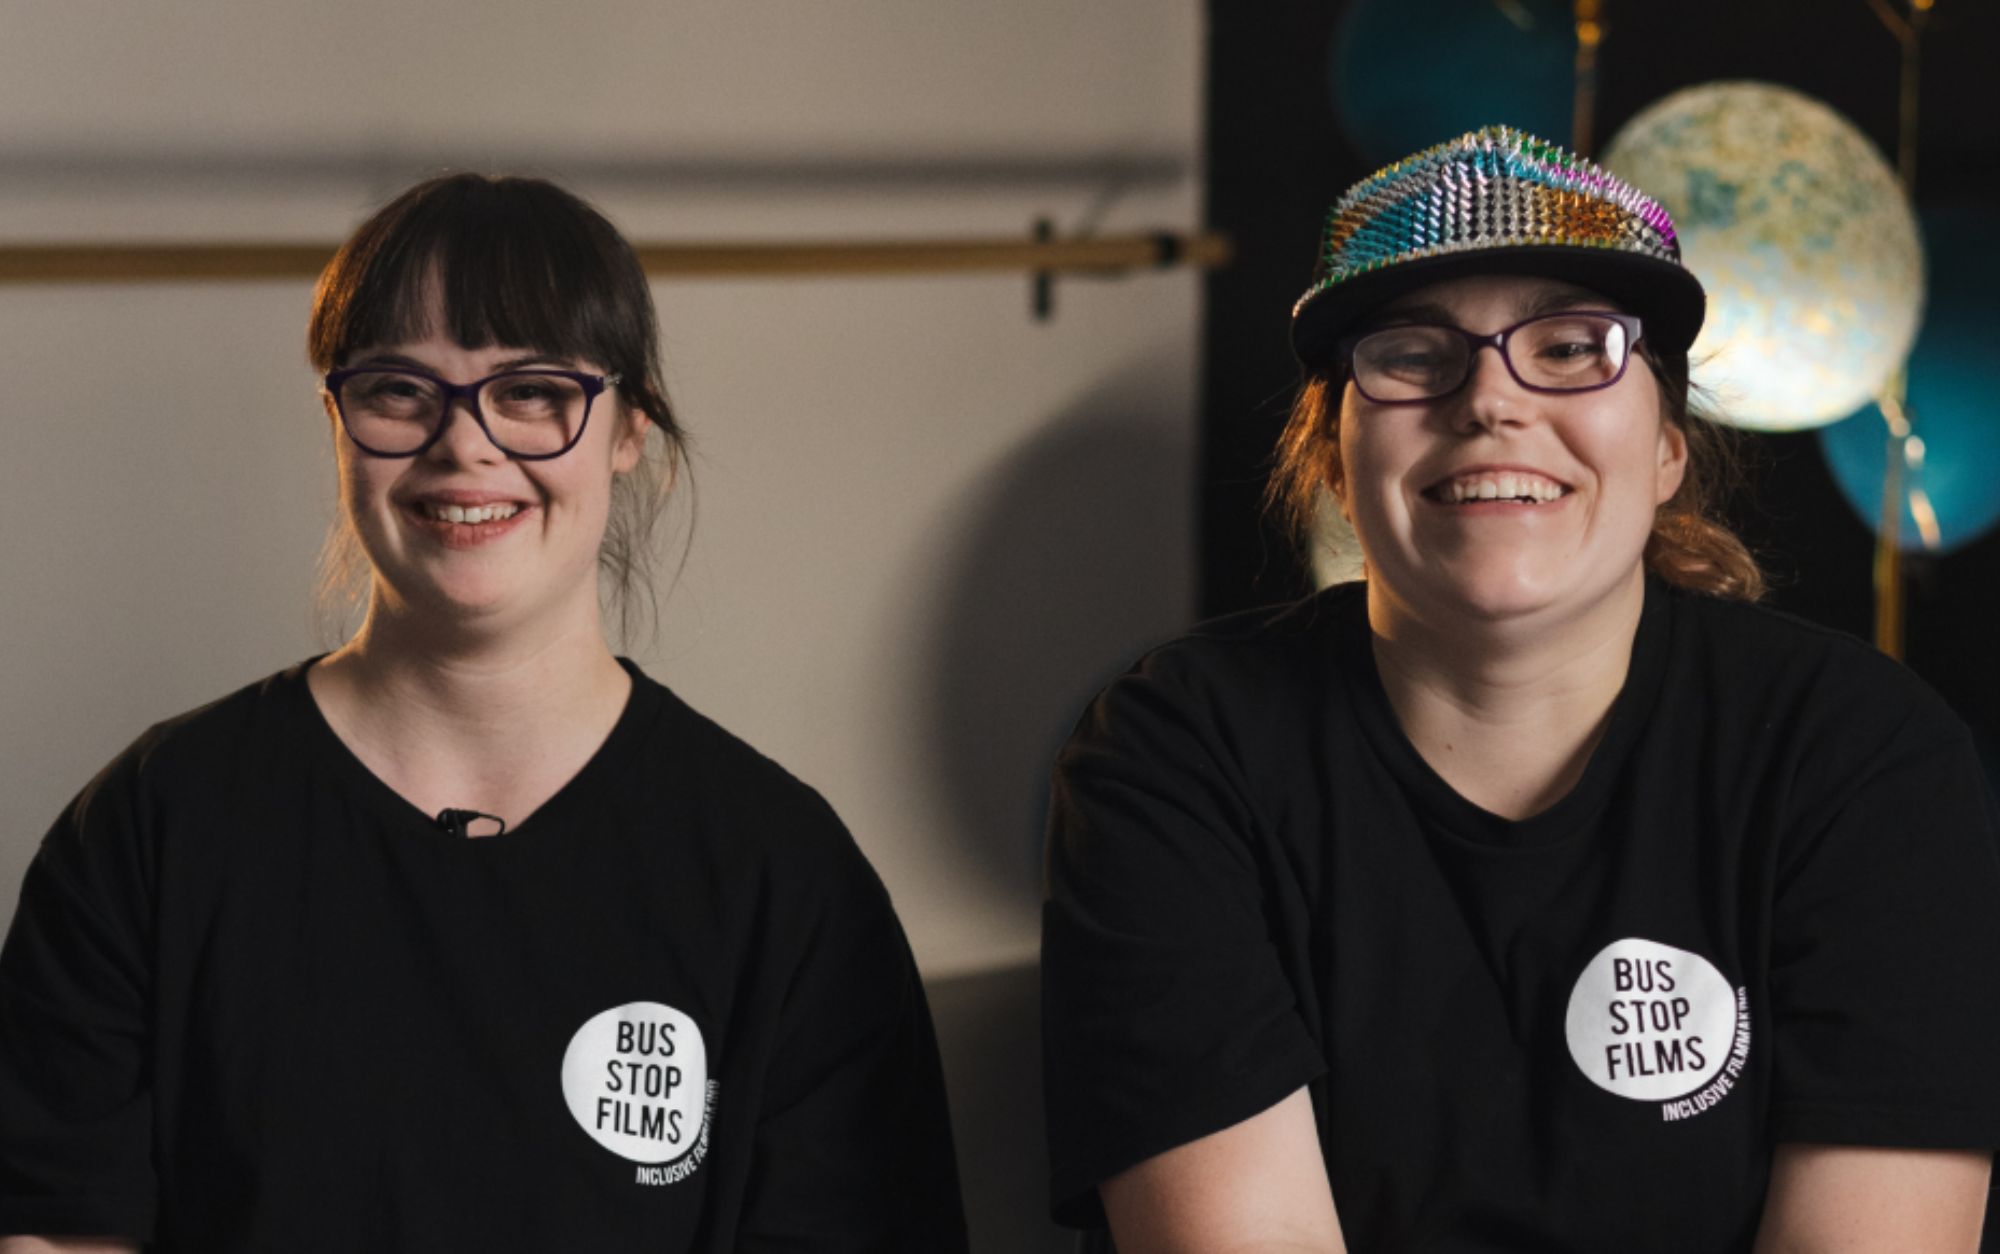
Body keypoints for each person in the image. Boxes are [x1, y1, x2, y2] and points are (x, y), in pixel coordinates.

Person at [1041, 127, 2000, 1252]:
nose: (1489, 401)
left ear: (1666, 449)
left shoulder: (1856, 756)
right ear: (1331, 459)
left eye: (1567, 346)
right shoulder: (1176, 756)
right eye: (1410, 353)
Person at [0, 174, 968, 1253]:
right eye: (400, 391)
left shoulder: (780, 873)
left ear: (627, 430)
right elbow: (55, 1230)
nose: (464, 444)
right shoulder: (152, 827)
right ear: (336, 420)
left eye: (532, 390)